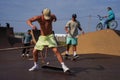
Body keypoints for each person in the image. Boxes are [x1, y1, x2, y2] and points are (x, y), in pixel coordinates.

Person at [26, 8, 70, 72]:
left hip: (50, 36)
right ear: (42, 14)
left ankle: (64, 66)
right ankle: (35, 65)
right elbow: (28, 20)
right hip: (42, 37)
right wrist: (32, 25)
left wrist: (55, 19)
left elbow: (55, 17)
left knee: (55, 50)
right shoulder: (38, 17)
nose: (48, 18)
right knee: (34, 51)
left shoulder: (52, 16)